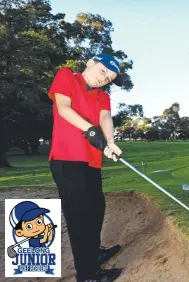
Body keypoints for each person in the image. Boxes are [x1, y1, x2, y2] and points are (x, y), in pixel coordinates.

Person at [48, 54, 124, 281]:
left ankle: (93, 254)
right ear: (91, 62)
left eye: (109, 78)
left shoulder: (103, 96)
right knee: (79, 217)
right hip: (67, 159)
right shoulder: (67, 76)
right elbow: (63, 108)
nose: (104, 79)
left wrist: (109, 142)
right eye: (103, 72)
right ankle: (88, 274)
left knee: (96, 208)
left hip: (91, 161)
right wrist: (90, 130)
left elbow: (106, 118)